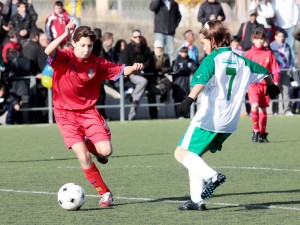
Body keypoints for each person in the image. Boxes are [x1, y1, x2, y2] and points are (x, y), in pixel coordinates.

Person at [174, 20, 280, 211]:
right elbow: (264, 72)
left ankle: (212, 177)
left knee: (180, 153)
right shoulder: (242, 60)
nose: (203, 45)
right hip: (230, 123)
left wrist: (188, 100)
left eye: (204, 42)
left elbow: (201, 81)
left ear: (213, 40)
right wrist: (271, 86)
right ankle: (197, 200)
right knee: (194, 156)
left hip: (209, 118)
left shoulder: (211, 60)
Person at [44, 19, 144, 208]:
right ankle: (105, 194)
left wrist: (134, 67)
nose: (86, 49)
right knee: (83, 157)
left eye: (89, 46)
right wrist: (65, 33)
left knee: (106, 152)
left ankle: (91, 144)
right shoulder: (65, 57)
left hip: (88, 112)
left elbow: (121, 70)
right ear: (74, 43)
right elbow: (48, 51)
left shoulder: (97, 63)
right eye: (82, 45)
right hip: (65, 115)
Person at [245, 28, 280, 143]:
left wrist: (276, 81)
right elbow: (244, 70)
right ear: (253, 40)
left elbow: (275, 69)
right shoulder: (249, 54)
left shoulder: (269, 53)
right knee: (254, 106)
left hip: (265, 86)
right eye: (257, 39)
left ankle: (262, 134)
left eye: (261, 39)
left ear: (264, 40)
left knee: (263, 110)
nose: (259, 41)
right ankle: (255, 130)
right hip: (253, 85)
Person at [119, 29, 150, 120]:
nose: (138, 38)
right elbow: (125, 62)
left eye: (139, 36)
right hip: (131, 74)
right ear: (131, 37)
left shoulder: (144, 48)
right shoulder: (128, 48)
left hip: (143, 73)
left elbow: (148, 60)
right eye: (135, 37)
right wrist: (134, 69)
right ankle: (133, 96)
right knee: (143, 82)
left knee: (140, 95)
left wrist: (143, 66)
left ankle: (131, 115)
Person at [270, 29, 295, 116]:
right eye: (279, 36)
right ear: (275, 37)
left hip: (286, 71)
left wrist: (291, 68)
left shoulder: (287, 45)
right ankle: (275, 110)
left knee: (286, 90)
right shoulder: (271, 46)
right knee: (276, 91)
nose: (281, 38)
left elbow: (291, 58)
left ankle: (287, 110)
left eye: (283, 36)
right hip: (276, 72)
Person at [171, 46, 197, 118]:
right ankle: (178, 115)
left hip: (187, 84)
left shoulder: (190, 61)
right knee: (178, 99)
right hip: (178, 83)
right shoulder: (176, 61)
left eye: (185, 52)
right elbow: (174, 70)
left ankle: (188, 115)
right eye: (182, 52)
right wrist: (182, 69)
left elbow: (194, 69)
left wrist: (185, 68)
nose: (184, 53)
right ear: (179, 52)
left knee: (188, 99)